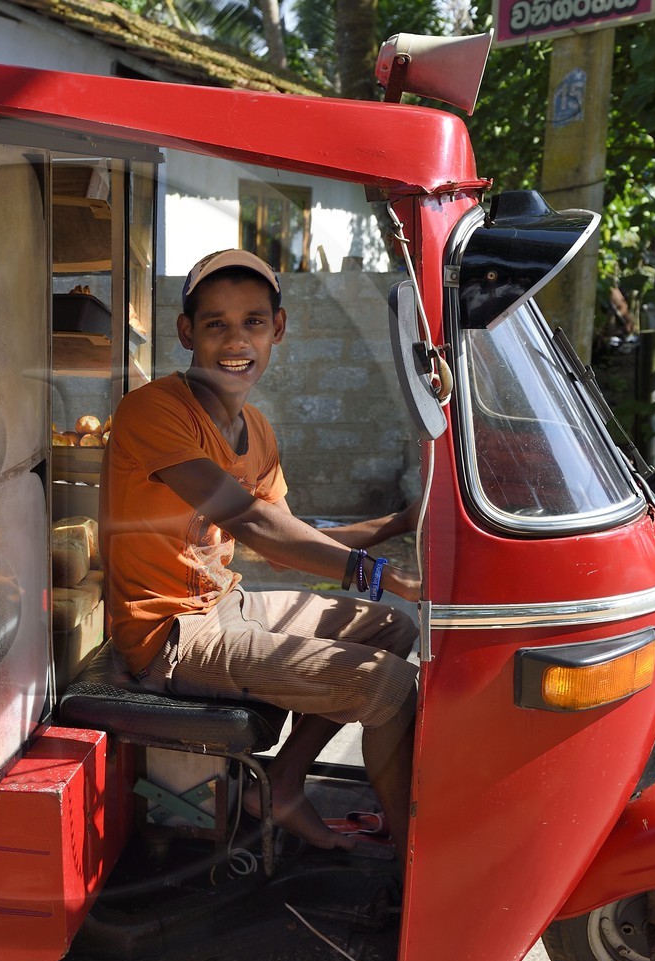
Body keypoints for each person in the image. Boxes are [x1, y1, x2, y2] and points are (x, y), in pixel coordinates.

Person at [100, 248, 421, 855]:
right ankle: (414, 869)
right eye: (215, 323)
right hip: (169, 638)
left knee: (388, 629)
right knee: (392, 688)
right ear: (186, 331)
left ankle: (284, 782)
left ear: (278, 328)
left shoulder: (259, 431)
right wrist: (377, 572)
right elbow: (250, 523)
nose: (234, 339)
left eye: (252, 321)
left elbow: (286, 540)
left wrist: (399, 522)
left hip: (228, 606)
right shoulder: (153, 411)